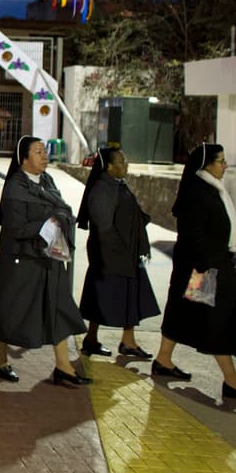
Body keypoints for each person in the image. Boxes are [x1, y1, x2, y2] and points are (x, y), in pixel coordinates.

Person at [152, 144, 236, 402]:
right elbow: (195, 236)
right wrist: (206, 270)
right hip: (206, 270)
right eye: (221, 161)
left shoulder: (209, 189)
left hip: (207, 267)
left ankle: (163, 359)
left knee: (184, 313)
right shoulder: (199, 194)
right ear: (207, 165)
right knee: (217, 323)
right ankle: (232, 382)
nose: (225, 166)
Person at [0, 136, 88, 385]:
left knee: (58, 308)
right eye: (38, 152)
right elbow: (15, 228)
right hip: (23, 259)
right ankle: (0, 358)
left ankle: (63, 366)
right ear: (24, 159)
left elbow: (63, 209)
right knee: (12, 311)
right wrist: (49, 223)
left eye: (45, 152)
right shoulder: (14, 188)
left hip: (49, 259)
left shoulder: (47, 181)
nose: (45, 156)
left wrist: (58, 220)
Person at [77, 148, 159, 358]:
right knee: (103, 297)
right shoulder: (102, 190)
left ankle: (125, 341)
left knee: (125, 296)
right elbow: (104, 227)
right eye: (121, 162)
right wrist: (121, 249)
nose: (126, 165)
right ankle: (94, 338)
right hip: (110, 254)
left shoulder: (117, 184)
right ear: (109, 167)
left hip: (123, 253)